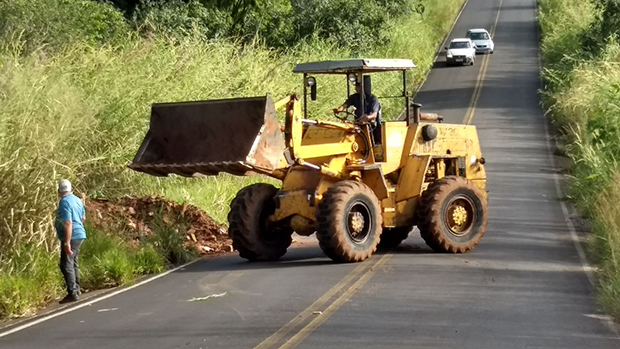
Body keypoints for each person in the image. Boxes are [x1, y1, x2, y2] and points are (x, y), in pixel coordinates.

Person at [55, 179, 87, 304]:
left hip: (72, 236)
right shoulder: (77, 200)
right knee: (73, 262)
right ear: (70, 189)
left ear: (59, 191)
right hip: (80, 234)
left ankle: (73, 292)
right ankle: (77, 289)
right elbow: (83, 218)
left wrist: (67, 242)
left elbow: (68, 222)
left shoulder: (64, 202)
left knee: (66, 264)